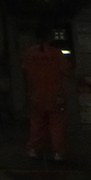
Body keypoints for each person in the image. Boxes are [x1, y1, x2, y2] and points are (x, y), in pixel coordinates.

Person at [21, 32, 70, 160]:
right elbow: (65, 72)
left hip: (36, 93)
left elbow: (25, 73)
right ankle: (58, 152)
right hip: (55, 93)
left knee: (36, 122)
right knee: (56, 124)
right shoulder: (57, 54)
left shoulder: (30, 53)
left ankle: (33, 148)